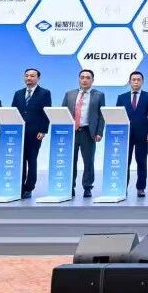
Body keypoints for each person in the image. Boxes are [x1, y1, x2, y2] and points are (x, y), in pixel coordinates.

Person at [12, 68, 52, 198]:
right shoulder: (18, 93)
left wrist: (43, 130)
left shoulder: (44, 93)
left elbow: (46, 112)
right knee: (20, 160)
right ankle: (19, 186)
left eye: (32, 76)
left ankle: (29, 187)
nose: (29, 78)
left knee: (32, 160)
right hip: (19, 132)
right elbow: (13, 111)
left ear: (38, 78)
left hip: (35, 132)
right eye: (27, 75)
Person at [64, 69, 104, 198]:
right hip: (72, 132)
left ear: (92, 80)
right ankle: (70, 187)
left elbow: (101, 115)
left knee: (88, 161)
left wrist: (99, 132)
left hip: (88, 132)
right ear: (79, 79)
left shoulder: (99, 95)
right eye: (82, 77)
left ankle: (87, 187)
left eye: (87, 77)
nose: (84, 80)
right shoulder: (69, 94)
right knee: (71, 160)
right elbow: (63, 112)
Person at [118, 71, 148, 197]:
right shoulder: (121, 97)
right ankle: (122, 187)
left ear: (142, 82)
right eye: (133, 80)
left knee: (141, 162)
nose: (136, 82)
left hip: (143, 135)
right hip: (125, 135)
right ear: (129, 82)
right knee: (125, 162)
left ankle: (141, 188)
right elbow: (117, 115)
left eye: (138, 80)